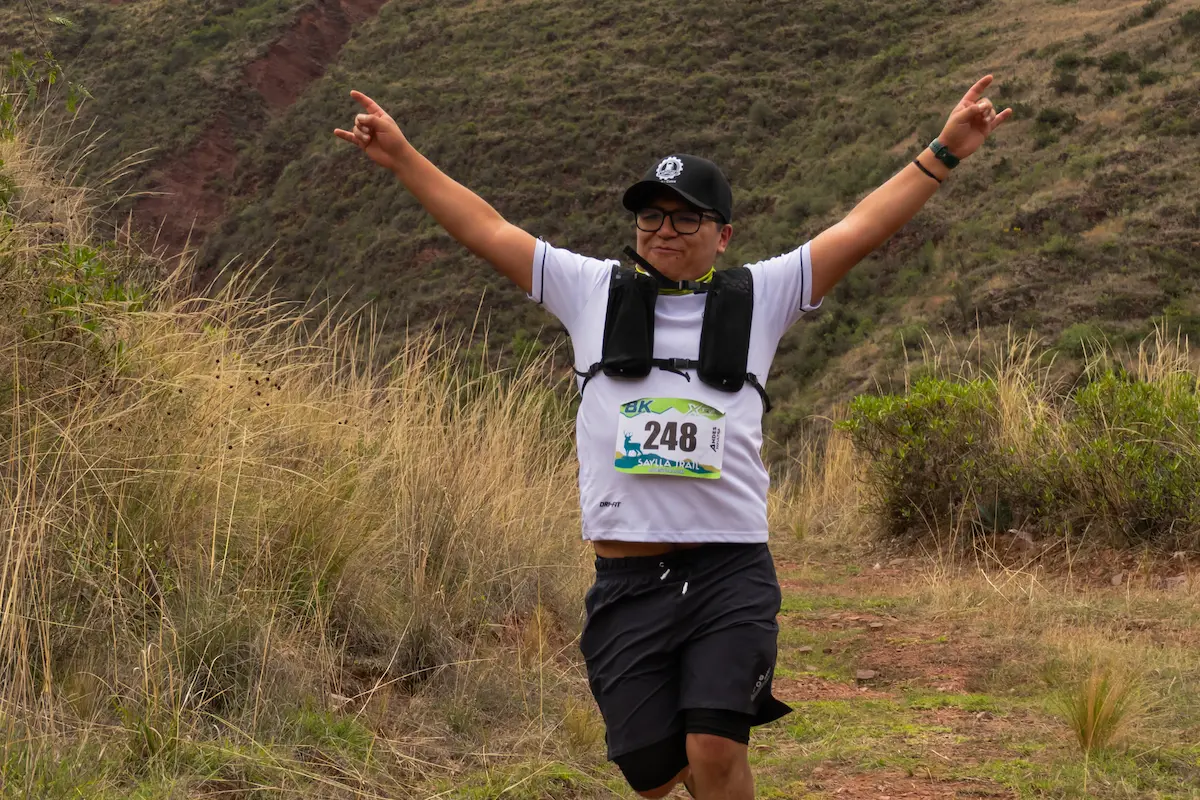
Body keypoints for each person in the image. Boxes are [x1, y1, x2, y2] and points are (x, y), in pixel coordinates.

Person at [335, 75, 1010, 799]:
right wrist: (405, 158)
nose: (664, 231)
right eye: (650, 217)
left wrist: (944, 151)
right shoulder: (589, 290)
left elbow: (859, 228)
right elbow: (488, 228)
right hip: (628, 581)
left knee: (715, 750)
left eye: (686, 220)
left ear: (722, 235)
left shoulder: (762, 296)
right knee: (654, 775)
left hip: (730, 570)